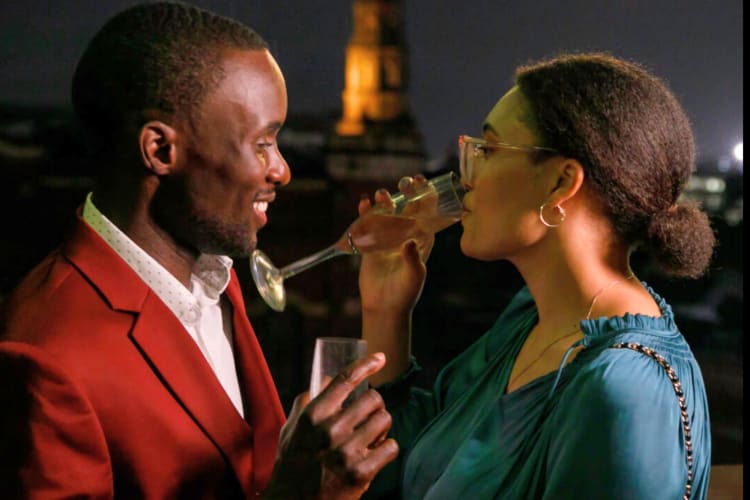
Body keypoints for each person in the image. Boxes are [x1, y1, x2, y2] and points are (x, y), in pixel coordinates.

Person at [0, 2, 397, 498]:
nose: (282, 171)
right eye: (262, 143)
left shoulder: (213, 272)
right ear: (161, 151)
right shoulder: (45, 356)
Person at [357, 52, 716, 498]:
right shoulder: (532, 319)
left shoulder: (623, 392)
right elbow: (406, 470)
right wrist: (386, 311)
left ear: (561, 183)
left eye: (487, 150)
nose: (464, 177)